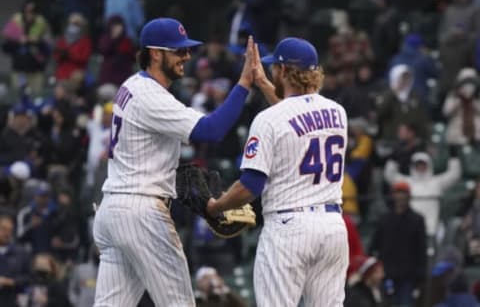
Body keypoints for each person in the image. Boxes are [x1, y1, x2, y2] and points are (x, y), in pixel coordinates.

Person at [92, 17, 258, 306]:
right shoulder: (150, 95)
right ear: (155, 53)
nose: (187, 56)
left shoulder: (131, 85)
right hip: (140, 212)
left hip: (113, 211)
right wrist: (243, 84)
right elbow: (212, 130)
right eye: (179, 50)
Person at [207, 37, 349, 306]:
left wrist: (216, 206)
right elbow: (295, 118)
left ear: (283, 71)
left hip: (289, 228)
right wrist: (262, 82)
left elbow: (250, 186)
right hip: (332, 228)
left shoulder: (268, 120)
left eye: (275, 68)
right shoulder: (337, 112)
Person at [369, 182, 427, 307]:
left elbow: (421, 248)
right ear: (393, 195)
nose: (400, 197)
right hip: (387, 274)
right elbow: (374, 245)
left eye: (403, 193)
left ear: (408, 196)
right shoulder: (385, 219)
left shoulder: (417, 220)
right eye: (398, 193)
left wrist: (420, 275)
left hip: (408, 276)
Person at [0, 214, 31, 307]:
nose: (7, 233)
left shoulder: (21, 253)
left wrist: (11, 281)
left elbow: (29, 277)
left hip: (11, 300)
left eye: (10, 230)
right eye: (3, 229)